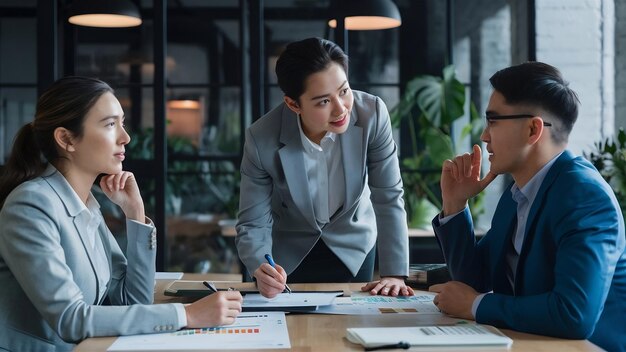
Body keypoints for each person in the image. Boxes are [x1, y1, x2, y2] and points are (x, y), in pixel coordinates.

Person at [0, 76, 243, 352]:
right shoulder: (31, 206)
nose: (125, 137)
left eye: (122, 123)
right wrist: (186, 315)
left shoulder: (88, 203)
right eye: (110, 124)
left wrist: (135, 213)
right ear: (66, 139)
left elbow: (133, 299)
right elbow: (70, 319)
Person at [429, 62, 626, 351]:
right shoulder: (517, 194)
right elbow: (474, 280)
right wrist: (455, 204)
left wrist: (476, 305)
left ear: (533, 128)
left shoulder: (585, 197)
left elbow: (573, 315)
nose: (484, 136)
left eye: (493, 121)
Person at [235, 37, 413, 298]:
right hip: (286, 258)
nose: (341, 109)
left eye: (344, 91)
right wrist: (260, 266)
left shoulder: (372, 114)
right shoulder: (262, 138)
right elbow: (252, 222)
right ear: (293, 104)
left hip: (354, 247)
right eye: (323, 102)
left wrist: (395, 273)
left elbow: (388, 196)